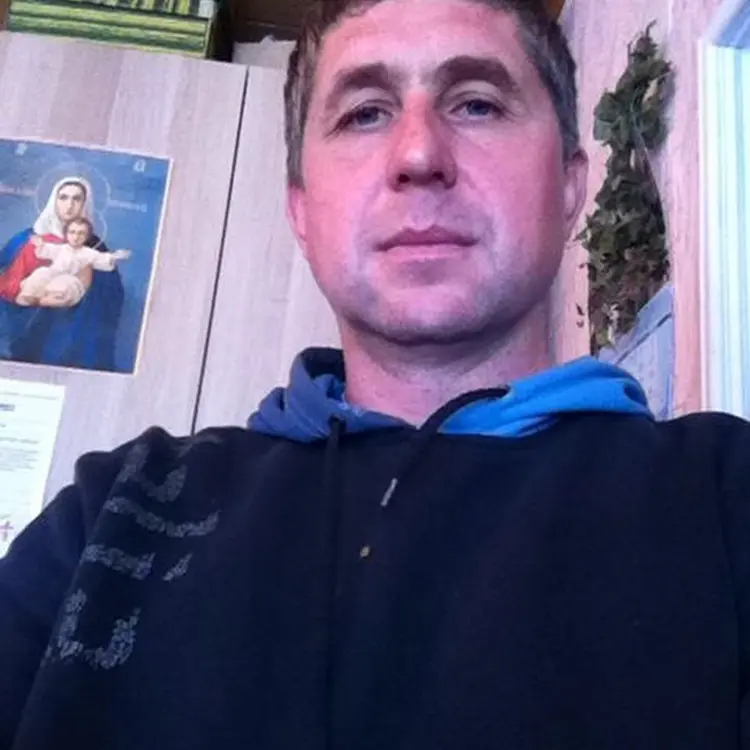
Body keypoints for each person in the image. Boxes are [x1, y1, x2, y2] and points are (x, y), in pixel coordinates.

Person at [1, 0, 749, 748]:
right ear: (301, 213)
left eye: (478, 104)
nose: (418, 154)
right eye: (364, 114)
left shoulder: (727, 495)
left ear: (568, 186)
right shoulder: (109, 512)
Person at [0, 177, 124, 371]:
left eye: (77, 199)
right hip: (21, 316)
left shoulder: (94, 246)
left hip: (69, 325)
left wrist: (85, 285)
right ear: (53, 200)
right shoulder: (28, 238)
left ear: (85, 204)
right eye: (63, 197)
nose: (69, 205)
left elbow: (111, 293)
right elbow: (6, 272)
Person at [16, 218, 131, 308]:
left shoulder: (88, 253)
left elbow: (102, 259)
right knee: (41, 272)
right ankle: (29, 296)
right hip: (54, 274)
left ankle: (43, 300)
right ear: (66, 234)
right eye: (72, 232)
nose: (76, 237)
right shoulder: (61, 248)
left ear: (87, 236)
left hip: (70, 279)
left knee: (64, 287)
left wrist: (115, 256)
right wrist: (40, 244)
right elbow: (46, 250)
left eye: (81, 233)